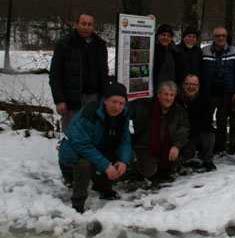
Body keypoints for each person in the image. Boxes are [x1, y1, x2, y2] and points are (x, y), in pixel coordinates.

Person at [58, 83, 131, 213]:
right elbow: (81, 145)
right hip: (74, 152)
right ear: (105, 100)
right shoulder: (89, 114)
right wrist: (105, 165)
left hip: (98, 148)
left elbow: (125, 139)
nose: (117, 106)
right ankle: (78, 202)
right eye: (114, 102)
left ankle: (102, 186)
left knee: (127, 157)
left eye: (121, 103)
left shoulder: (123, 115)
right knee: (85, 164)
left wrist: (124, 161)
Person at [50, 12, 109, 132]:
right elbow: (55, 75)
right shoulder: (64, 45)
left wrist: (105, 98)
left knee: (92, 133)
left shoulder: (100, 46)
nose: (86, 27)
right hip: (72, 99)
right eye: (83, 24)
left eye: (89, 24)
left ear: (94, 27)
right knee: (71, 135)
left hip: (94, 98)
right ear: (76, 24)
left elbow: (104, 74)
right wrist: (59, 100)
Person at [129, 81, 190, 179]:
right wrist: (128, 137)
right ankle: (135, 168)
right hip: (145, 146)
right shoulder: (143, 105)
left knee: (188, 148)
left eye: (171, 95)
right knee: (149, 171)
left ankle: (165, 167)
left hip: (167, 146)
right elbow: (121, 113)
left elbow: (184, 129)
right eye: (166, 94)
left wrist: (176, 146)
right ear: (158, 94)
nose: (169, 98)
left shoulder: (179, 111)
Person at [201, 27, 235, 152]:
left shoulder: (233, 50)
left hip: (227, 93)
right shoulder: (205, 51)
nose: (220, 38)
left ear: (226, 37)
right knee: (206, 120)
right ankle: (207, 146)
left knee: (222, 122)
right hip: (209, 93)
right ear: (213, 37)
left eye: (223, 36)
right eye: (217, 36)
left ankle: (220, 147)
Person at [176, 73, 216, 171]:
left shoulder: (204, 99)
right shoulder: (175, 99)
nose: (191, 87)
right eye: (188, 84)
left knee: (210, 133)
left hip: (196, 131)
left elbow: (207, 120)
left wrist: (191, 129)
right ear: (183, 85)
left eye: (194, 85)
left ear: (198, 86)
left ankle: (207, 160)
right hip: (179, 134)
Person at [153, 24, 178, 91]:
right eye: (163, 35)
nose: (166, 37)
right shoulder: (152, 49)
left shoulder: (175, 51)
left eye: (168, 36)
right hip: (156, 90)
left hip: (170, 91)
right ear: (157, 36)